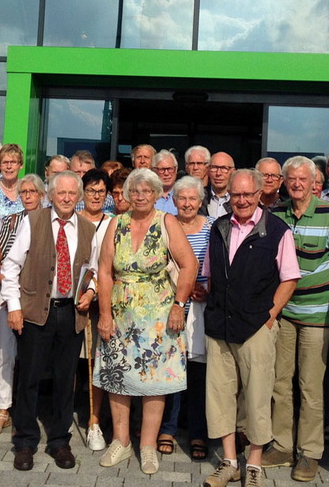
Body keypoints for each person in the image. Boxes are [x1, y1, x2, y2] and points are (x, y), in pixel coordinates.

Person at [94, 168, 197, 475]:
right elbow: (104, 270)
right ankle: (121, 440)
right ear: (127, 194)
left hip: (159, 318)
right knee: (117, 377)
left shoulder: (167, 222)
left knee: (154, 381)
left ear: (156, 194)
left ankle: (148, 445)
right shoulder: (117, 223)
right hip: (120, 314)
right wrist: (103, 314)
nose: (140, 196)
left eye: (146, 191)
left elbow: (189, 264)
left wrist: (179, 304)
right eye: (134, 191)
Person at [202, 169, 300, 487]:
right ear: (229, 195)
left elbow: (290, 278)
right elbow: (210, 274)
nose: (241, 200)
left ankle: (254, 463)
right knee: (220, 396)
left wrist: (270, 315)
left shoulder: (277, 230)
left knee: (258, 396)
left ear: (260, 194)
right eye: (236, 195)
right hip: (220, 326)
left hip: (256, 326)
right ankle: (230, 462)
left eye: (248, 194)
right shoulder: (218, 228)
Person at [2, 171, 97, 471]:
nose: (67, 199)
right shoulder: (33, 222)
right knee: (29, 378)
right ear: (51, 195)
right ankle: (26, 441)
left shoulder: (87, 228)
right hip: (35, 312)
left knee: (64, 380)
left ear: (78, 197)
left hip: (71, 313)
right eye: (61, 193)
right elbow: (11, 265)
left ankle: (59, 440)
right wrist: (14, 308)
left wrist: (91, 292)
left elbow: (92, 269)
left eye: (72, 194)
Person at [265, 157, 329, 481]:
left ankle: (310, 453)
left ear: (315, 182)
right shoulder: (277, 213)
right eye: (291, 179)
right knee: (279, 383)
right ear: (284, 182)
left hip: (318, 315)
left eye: (303, 179)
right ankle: (282, 445)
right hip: (284, 314)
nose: (297, 184)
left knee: (311, 387)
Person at [158, 175, 215, 461]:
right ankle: (167, 427)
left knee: (198, 374)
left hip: (201, 309)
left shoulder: (212, 227)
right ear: (174, 201)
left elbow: (218, 263)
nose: (188, 203)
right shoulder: (165, 226)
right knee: (170, 370)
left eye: (193, 198)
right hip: (170, 305)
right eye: (182, 198)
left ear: (201, 201)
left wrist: (208, 288)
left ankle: (197, 433)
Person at [0, 175, 45, 440]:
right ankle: (3, 408)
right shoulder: (10, 221)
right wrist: (12, 292)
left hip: (40, 299)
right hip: (10, 293)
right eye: (23, 191)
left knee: (34, 358)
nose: (28, 195)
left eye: (33, 191)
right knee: (5, 353)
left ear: (42, 194)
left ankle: (29, 410)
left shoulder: (49, 222)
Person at [77, 169, 114, 450]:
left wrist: (92, 291)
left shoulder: (111, 224)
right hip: (70, 301)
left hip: (99, 301)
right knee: (70, 362)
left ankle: (94, 421)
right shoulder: (72, 220)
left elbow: (108, 267)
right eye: (91, 191)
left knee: (95, 364)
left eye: (101, 191)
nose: (96, 196)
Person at [0, 143, 24, 217]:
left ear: (20, 165)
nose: (9, 166)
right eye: (5, 162)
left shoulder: (27, 190)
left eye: (13, 162)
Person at [205, 151, 235, 218]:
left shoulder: (239, 200)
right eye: (214, 168)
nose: (218, 173)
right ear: (208, 171)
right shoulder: (200, 197)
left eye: (224, 168)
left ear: (233, 172)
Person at [151, 150, 180, 215]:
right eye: (162, 169)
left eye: (170, 169)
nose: (166, 173)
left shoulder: (183, 194)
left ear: (176, 169)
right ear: (154, 171)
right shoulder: (148, 195)